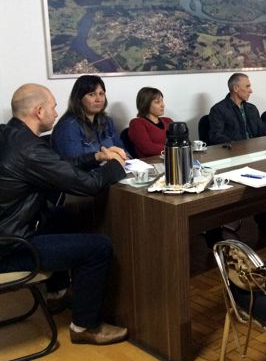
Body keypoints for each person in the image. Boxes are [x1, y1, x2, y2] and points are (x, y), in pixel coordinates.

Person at [0, 84, 129, 345]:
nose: (56, 113)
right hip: (10, 248)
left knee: (65, 217)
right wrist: (115, 165)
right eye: (53, 107)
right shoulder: (30, 150)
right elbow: (89, 186)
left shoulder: (11, 135)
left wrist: (96, 157)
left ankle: (57, 295)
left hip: (9, 233)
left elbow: (56, 166)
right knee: (99, 247)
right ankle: (84, 326)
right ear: (38, 111)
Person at [207, 73, 266, 236]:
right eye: (247, 86)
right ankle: (262, 219)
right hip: (234, 159)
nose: (251, 90)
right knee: (261, 182)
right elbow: (215, 136)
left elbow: (261, 129)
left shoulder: (251, 108)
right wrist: (239, 146)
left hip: (256, 156)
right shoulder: (219, 110)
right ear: (236, 88)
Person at [52, 74, 125, 159]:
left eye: (101, 94)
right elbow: (74, 163)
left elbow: (122, 151)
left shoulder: (107, 121)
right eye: (92, 94)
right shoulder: (68, 126)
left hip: (114, 166)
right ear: (79, 98)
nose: (99, 99)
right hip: (92, 168)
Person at [128, 87, 173, 157]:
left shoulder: (168, 121)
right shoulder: (137, 123)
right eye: (157, 102)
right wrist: (173, 148)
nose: (163, 105)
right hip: (151, 162)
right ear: (146, 104)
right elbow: (148, 149)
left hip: (173, 159)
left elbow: (181, 142)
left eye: (162, 101)